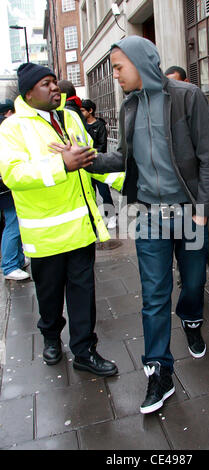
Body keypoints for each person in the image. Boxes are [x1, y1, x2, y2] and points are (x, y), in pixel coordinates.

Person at [55, 36, 209, 414]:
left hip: (188, 212)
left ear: (141, 62)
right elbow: (124, 160)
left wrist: (201, 211)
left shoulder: (186, 96)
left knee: (193, 283)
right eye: (112, 69)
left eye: (118, 67)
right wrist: (86, 160)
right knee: (154, 295)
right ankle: (158, 371)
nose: (115, 76)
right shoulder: (129, 106)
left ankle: (192, 319)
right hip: (146, 216)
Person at [0, 62, 123, 376]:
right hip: (46, 235)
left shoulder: (71, 117)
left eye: (55, 82)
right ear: (29, 93)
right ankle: (51, 337)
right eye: (46, 83)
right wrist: (60, 165)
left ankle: (84, 350)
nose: (55, 87)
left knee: (84, 294)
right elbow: (13, 174)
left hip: (81, 228)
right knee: (50, 294)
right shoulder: (12, 128)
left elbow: (88, 159)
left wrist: (129, 183)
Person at [165, 66, 209, 279]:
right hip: (184, 188)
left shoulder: (199, 102)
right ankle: (186, 271)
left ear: (186, 81)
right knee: (185, 231)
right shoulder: (169, 110)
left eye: (176, 82)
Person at [0, 99, 30, 281]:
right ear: (9, 113)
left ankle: (17, 260)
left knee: (13, 222)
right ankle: (10, 265)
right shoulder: (7, 129)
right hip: (6, 187)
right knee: (13, 224)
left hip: (5, 186)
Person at [81, 99, 117, 230]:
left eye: (83, 110)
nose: (81, 113)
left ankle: (111, 216)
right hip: (85, 166)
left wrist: (90, 155)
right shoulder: (81, 125)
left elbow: (102, 146)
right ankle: (95, 219)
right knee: (90, 194)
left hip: (99, 165)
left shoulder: (99, 125)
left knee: (104, 192)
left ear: (90, 111)